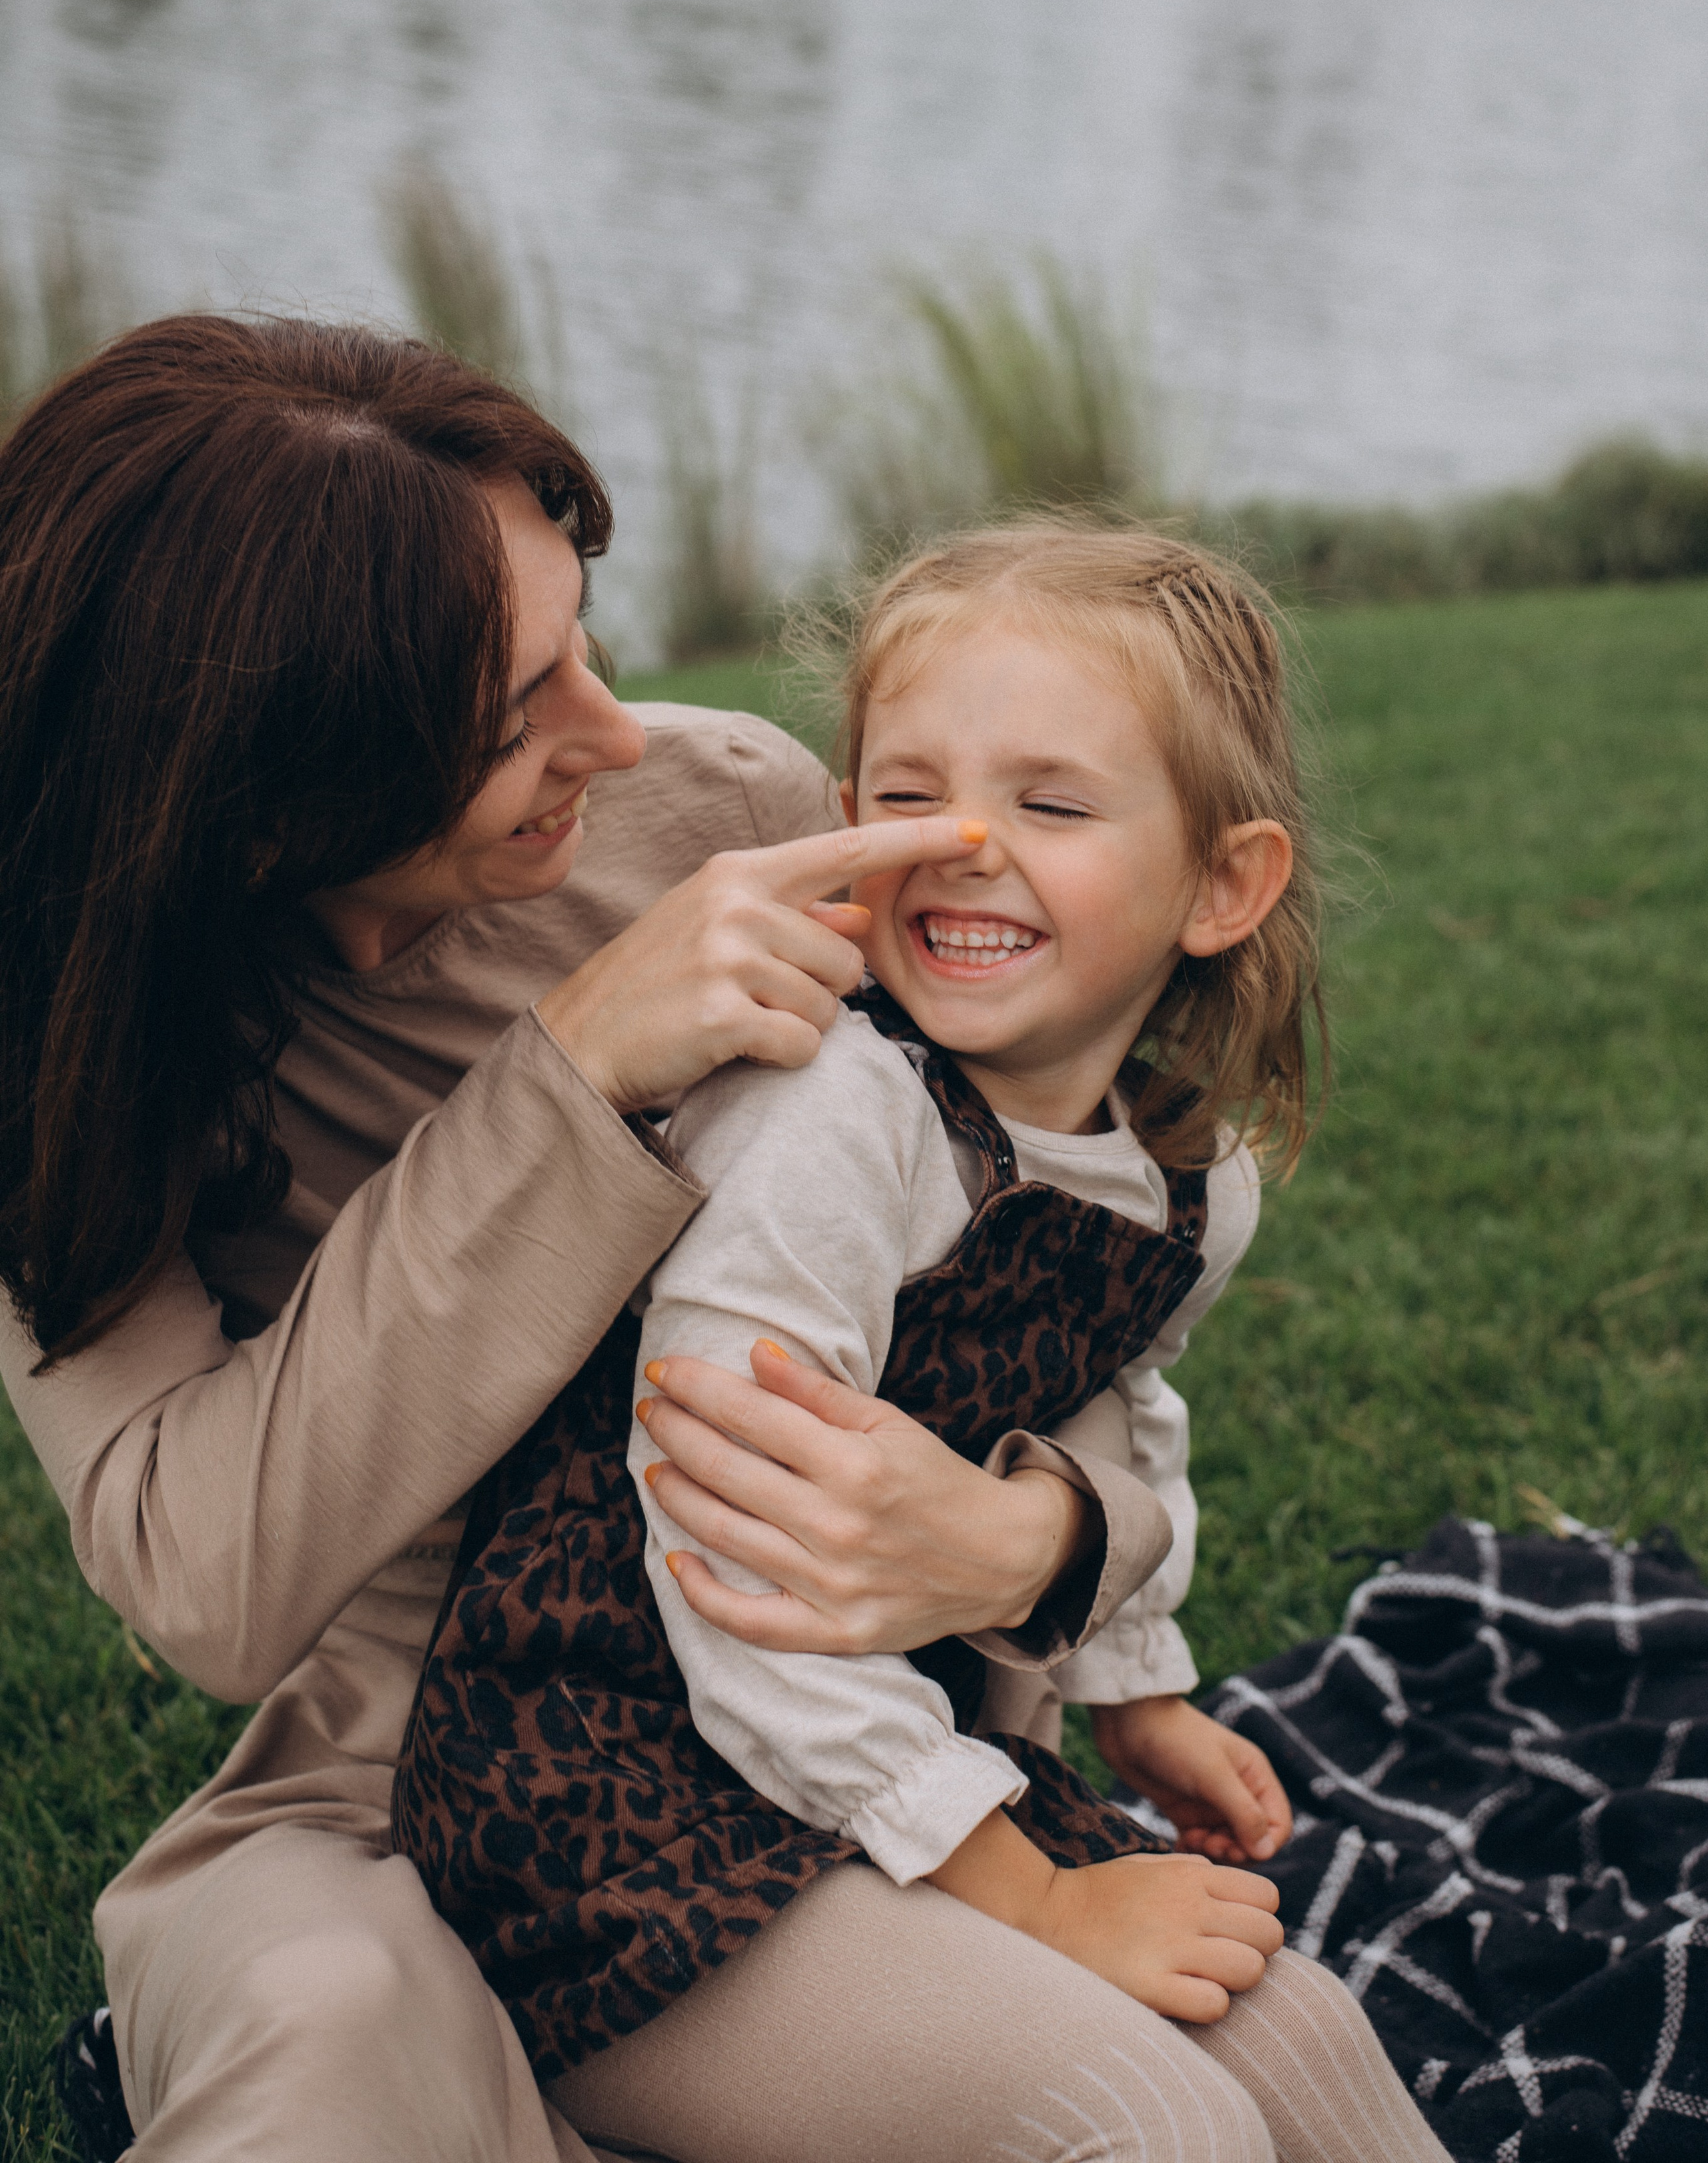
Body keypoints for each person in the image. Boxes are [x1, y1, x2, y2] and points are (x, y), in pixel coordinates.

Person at [0, 320, 1187, 2163]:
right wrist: (568, 1078)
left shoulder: (725, 814)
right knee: (327, 2029)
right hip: (390, 1794)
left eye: (584, 638)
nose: (615, 736)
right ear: (269, 807)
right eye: (513, 719)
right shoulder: (61, 1048)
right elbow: (205, 1576)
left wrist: (1043, 1540)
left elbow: (1051, 1262)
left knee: (1228, 2079)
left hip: (830, 1730)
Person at [396, 524, 1453, 2163]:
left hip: (879, 1758)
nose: (963, 846)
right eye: (910, 794)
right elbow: (731, 1564)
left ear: (1221, 884)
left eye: (1051, 804)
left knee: (1301, 2034)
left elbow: (1115, 1402)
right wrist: (1031, 1896)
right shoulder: (829, 1117)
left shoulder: (1187, 1177)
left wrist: (1137, 1690)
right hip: (609, 1822)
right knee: (1150, 2121)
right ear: (845, 826)